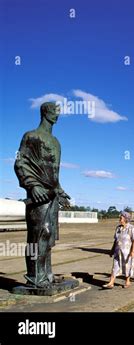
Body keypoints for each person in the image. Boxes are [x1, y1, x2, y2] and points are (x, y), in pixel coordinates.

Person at [14, 102, 71, 288]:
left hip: (52, 196)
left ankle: (46, 274)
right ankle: (34, 276)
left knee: (49, 236)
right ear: (45, 112)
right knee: (38, 235)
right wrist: (32, 185)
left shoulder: (56, 142)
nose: (57, 115)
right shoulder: (31, 136)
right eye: (55, 111)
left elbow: (53, 173)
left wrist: (60, 191)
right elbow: (20, 163)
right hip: (38, 196)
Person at [103, 211, 134, 289]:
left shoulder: (132, 228)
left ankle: (127, 281)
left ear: (125, 219)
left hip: (127, 252)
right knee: (115, 266)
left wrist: (133, 251)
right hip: (117, 251)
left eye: (121, 218)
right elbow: (116, 240)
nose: (119, 219)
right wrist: (112, 250)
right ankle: (111, 282)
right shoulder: (118, 228)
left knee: (127, 266)